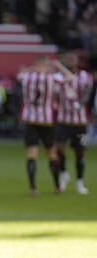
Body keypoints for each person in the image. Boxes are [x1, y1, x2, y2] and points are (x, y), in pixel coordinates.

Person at [18, 56, 70, 195]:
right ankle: (57, 186)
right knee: (52, 154)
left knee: (31, 155)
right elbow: (70, 78)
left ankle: (33, 188)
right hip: (46, 121)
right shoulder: (52, 78)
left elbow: (19, 75)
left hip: (30, 120)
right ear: (45, 64)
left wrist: (32, 67)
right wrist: (58, 66)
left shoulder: (27, 76)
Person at [54, 52, 93, 195]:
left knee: (80, 152)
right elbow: (56, 94)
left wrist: (80, 104)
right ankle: (64, 173)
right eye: (68, 59)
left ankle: (79, 182)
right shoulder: (59, 76)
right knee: (58, 148)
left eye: (72, 59)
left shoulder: (85, 76)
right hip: (63, 120)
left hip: (80, 121)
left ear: (77, 61)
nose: (70, 61)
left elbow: (87, 92)